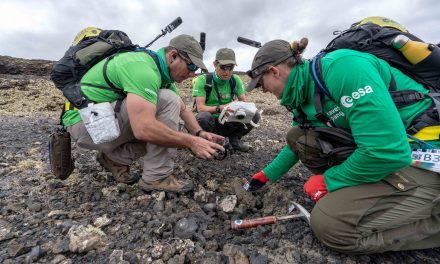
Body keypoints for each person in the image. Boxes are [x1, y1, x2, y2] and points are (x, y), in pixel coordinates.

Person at [244, 38, 440, 254]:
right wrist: (265, 175)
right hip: (386, 150)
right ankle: (364, 188)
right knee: (299, 136)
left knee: (331, 228)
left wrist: (329, 180)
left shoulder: (343, 68)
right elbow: (295, 144)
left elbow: (388, 151)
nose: (262, 91)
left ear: (274, 71)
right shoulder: (303, 92)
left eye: (261, 84)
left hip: (424, 154)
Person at [62, 34, 225, 193]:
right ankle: (157, 177)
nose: (192, 74)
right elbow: (144, 129)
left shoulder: (163, 74)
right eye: (191, 66)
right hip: (84, 124)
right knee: (168, 104)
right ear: (173, 56)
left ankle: (113, 159)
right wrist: (191, 142)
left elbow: (183, 109)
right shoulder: (144, 68)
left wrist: (199, 133)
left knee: (174, 123)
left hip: (98, 122)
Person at [192, 48, 260, 152]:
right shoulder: (203, 80)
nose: (227, 72)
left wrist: (237, 107)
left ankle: (234, 140)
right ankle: (211, 142)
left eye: (230, 68)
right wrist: (221, 108)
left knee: (254, 114)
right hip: (211, 122)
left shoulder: (235, 80)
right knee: (203, 117)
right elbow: (200, 108)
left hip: (229, 120)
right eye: (223, 67)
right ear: (215, 64)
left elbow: (244, 103)